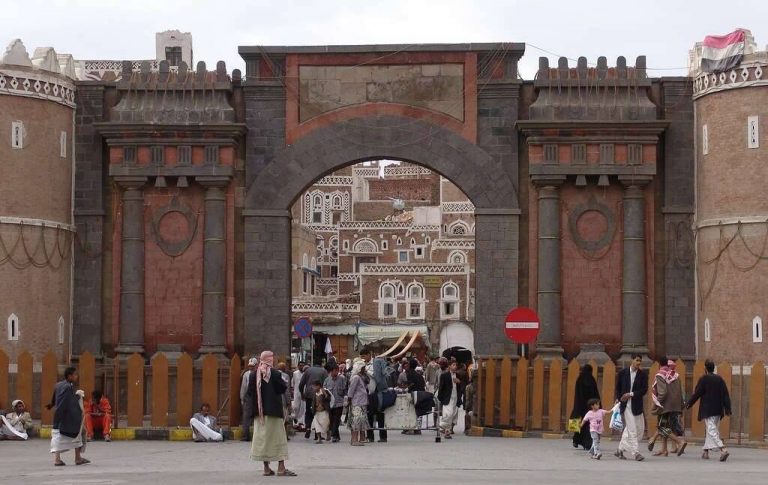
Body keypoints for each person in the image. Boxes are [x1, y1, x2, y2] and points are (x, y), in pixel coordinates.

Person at [248, 350, 296, 477]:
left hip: (259, 413)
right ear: (270, 360)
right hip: (274, 412)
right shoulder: (275, 374)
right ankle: (281, 467)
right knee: (278, 439)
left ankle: (266, 468)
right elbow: (282, 388)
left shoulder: (253, 375)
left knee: (263, 440)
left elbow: (250, 392)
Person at [686, 359, 732, 462]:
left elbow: (697, 393)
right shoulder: (719, 379)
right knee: (711, 429)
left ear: (705, 368)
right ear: (713, 368)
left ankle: (723, 449)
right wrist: (728, 408)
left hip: (708, 409)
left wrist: (689, 404)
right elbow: (725, 394)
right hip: (718, 409)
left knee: (711, 430)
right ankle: (705, 452)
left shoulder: (704, 379)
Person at [50, 367, 89, 466]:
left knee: (59, 437)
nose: (77, 376)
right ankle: (76, 458)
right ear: (69, 376)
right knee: (79, 433)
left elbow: (57, 399)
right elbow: (64, 402)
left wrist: (77, 396)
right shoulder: (68, 387)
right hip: (67, 417)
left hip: (62, 417)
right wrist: (58, 416)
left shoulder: (59, 385)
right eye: (75, 374)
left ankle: (61, 459)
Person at [649, 358, 687, 457]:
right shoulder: (675, 375)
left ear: (659, 364)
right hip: (675, 405)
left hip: (665, 406)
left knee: (661, 427)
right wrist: (681, 406)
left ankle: (680, 442)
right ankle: (664, 450)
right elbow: (680, 391)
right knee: (666, 426)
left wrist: (656, 403)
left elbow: (662, 392)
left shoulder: (660, 375)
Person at [614, 353, 648, 461]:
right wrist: (618, 399)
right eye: (637, 360)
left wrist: (631, 394)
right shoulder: (623, 373)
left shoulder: (643, 375)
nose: (638, 362)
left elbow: (644, 390)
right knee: (632, 429)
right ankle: (636, 453)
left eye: (640, 361)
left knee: (639, 429)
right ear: (632, 360)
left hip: (636, 404)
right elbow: (618, 388)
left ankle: (620, 450)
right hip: (626, 405)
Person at [570, 364, 600, 451]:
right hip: (590, 406)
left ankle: (576, 440)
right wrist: (598, 405)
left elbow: (577, 394)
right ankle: (587, 444)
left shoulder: (579, 379)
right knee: (588, 425)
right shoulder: (592, 380)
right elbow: (595, 394)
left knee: (579, 422)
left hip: (580, 405)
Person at [298, 362, 328, 439]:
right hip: (319, 395)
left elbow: (301, 384)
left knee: (308, 412)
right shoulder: (324, 371)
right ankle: (317, 434)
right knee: (318, 413)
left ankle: (308, 427)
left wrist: (302, 393)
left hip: (309, 394)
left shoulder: (308, 370)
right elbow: (326, 383)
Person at [346, 358, 370, 446]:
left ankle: (356, 439)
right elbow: (351, 390)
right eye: (363, 368)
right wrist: (349, 400)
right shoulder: (356, 377)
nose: (364, 369)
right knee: (356, 421)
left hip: (361, 402)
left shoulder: (360, 377)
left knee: (359, 421)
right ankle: (354, 440)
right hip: (357, 402)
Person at [438, 360, 463, 439]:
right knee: (448, 414)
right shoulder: (444, 375)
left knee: (452, 416)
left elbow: (462, 387)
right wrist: (441, 398)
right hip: (447, 398)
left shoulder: (458, 375)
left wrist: (459, 382)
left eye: (456, 365)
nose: (455, 366)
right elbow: (441, 388)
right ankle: (441, 425)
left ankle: (447, 432)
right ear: (449, 366)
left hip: (455, 398)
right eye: (453, 365)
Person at [323, 364, 347, 443]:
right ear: (331, 371)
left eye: (337, 371)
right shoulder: (327, 380)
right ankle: (336, 436)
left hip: (339, 402)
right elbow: (324, 390)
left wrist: (345, 399)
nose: (336, 372)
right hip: (330, 403)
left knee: (337, 419)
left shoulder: (342, 379)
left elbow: (345, 390)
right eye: (335, 371)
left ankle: (333, 434)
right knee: (331, 419)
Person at [240, 357, 258, 441]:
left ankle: (256, 436)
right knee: (247, 416)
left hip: (256, 396)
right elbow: (243, 387)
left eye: (252, 366)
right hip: (249, 396)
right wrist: (242, 397)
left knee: (256, 417)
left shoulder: (258, 373)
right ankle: (246, 435)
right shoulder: (246, 374)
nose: (251, 367)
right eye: (250, 366)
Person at [291, 361, 306, 432]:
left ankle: (300, 422)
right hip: (296, 392)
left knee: (302, 408)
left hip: (304, 392)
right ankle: (295, 419)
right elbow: (293, 383)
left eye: (303, 365)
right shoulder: (295, 373)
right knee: (296, 407)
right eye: (300, 365)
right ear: (298, 366)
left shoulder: (305, 373)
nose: (301, 367)